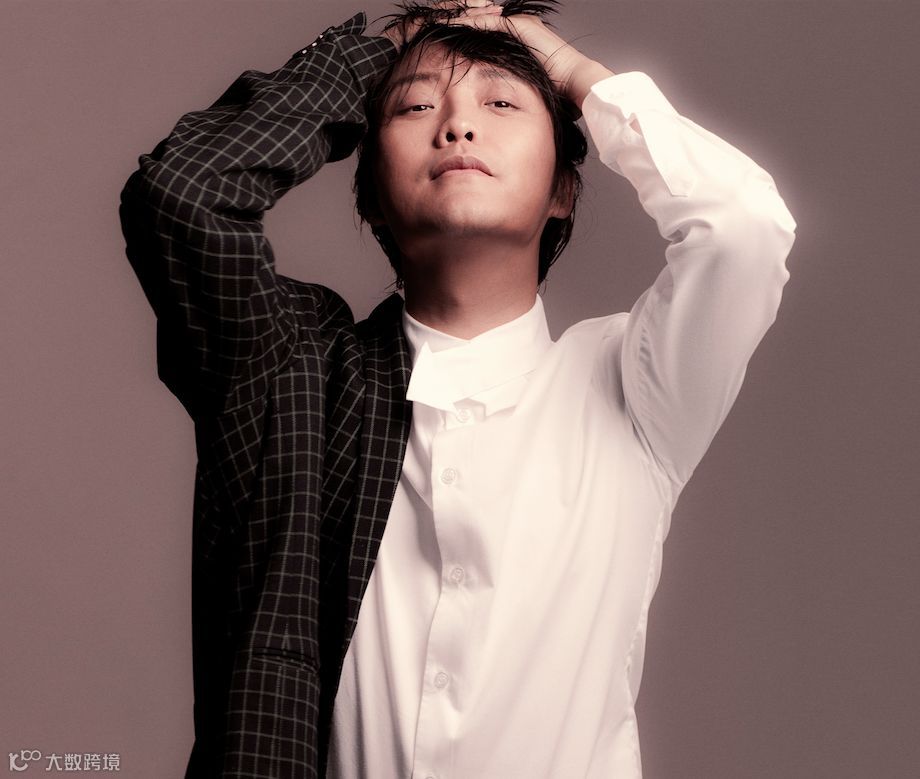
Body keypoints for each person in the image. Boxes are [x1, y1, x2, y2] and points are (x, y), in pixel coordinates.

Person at [119, 0, 796, 776]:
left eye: (501, 104)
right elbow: (183, 194)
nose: (458, 126)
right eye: (415, 107)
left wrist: (570, 70)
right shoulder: (292, 368)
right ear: (370, 196)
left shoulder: (632, 387)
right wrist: (387, 49)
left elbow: (743, 227)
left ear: (563, 189)